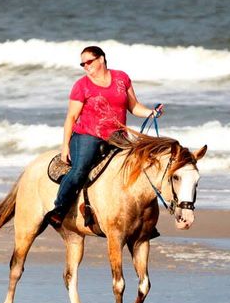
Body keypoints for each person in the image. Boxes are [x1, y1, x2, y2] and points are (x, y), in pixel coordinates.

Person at [46, 46, 163, 226]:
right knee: (79, 171)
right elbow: (71, 117)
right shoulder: (81, 85)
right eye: (82, 64)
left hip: (118, 136)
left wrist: (151, 113)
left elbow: (133, 107)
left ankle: (141, 217)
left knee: (138, 167)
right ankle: (59, 209)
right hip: (88, 135)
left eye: (89, 61)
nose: (85, 66)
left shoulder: (121, 78)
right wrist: (65, 146)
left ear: (101, 59)